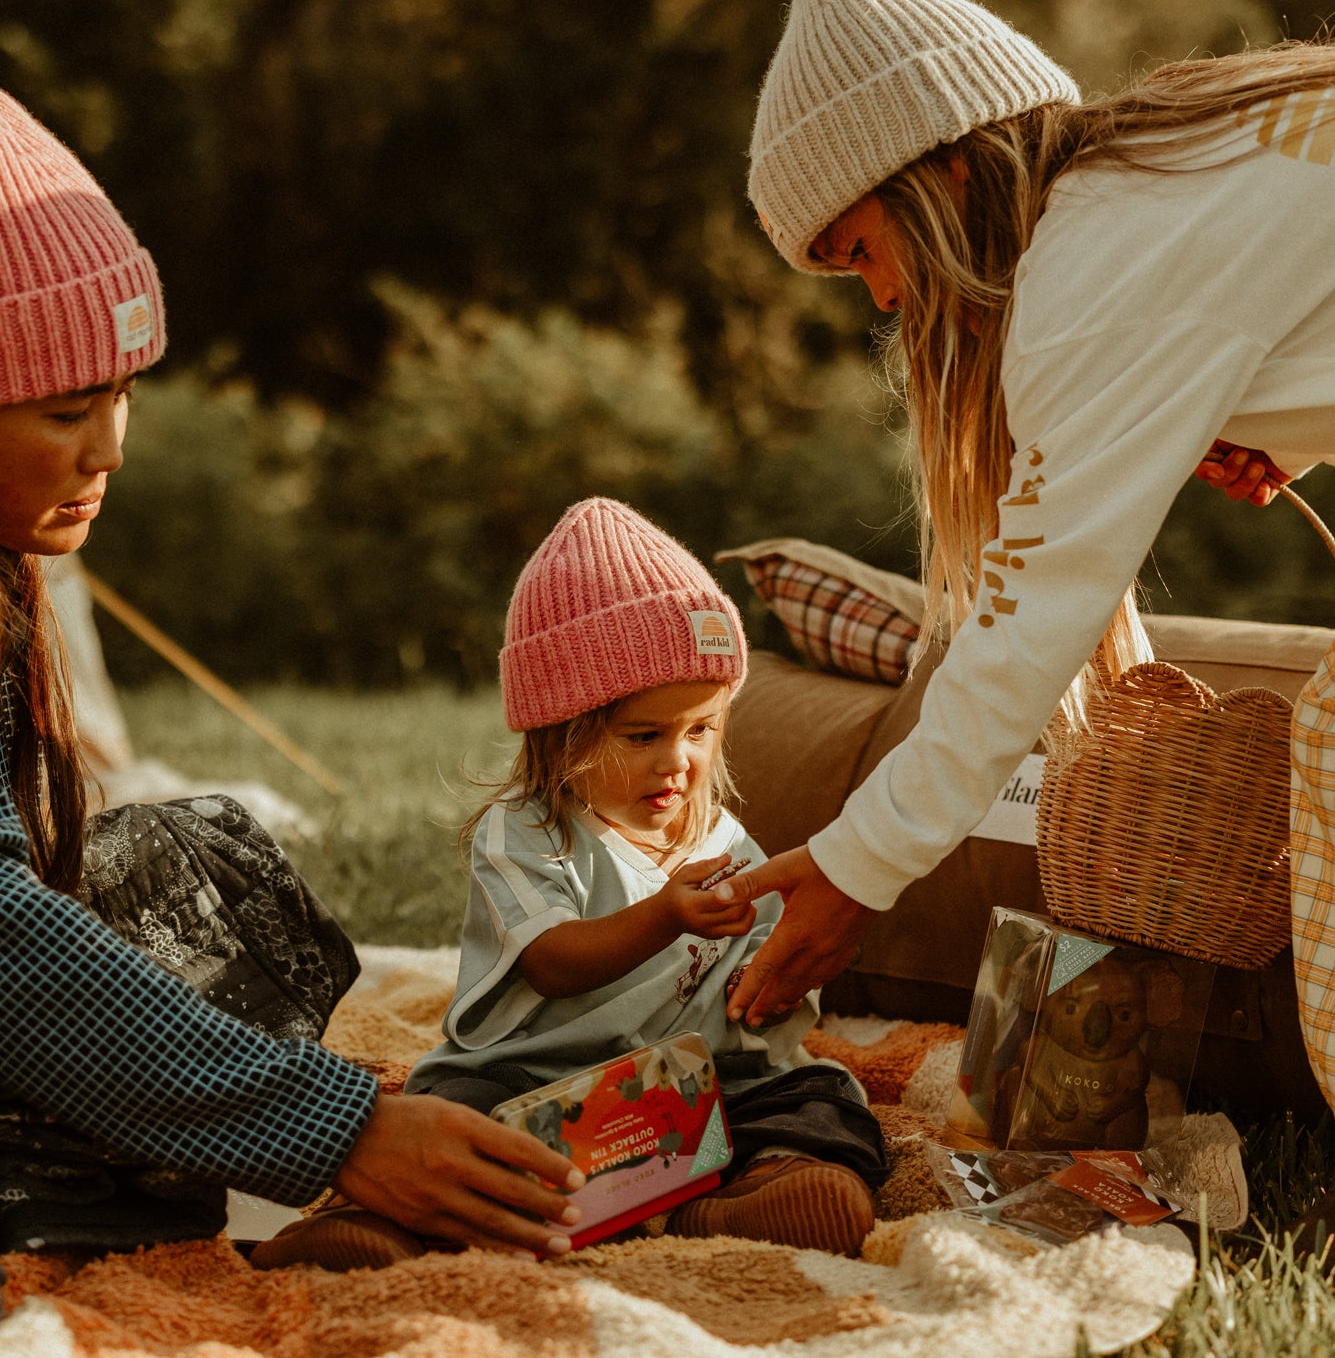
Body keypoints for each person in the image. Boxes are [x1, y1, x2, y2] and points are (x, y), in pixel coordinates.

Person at [0, 86, 581, 1357]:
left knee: (204, 876)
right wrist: (342, 1129)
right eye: (65, 411)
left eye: (121, 394)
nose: (112, 450)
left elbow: (6, 892)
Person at [713, 0, 1335, 1250]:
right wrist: (1285, 410)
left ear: (942, 172)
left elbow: (1022, 634)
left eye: (862, 251)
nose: (882, 299)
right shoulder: (1159, 175)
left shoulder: (1088, 279)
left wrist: (854, 866)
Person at [264, 497, 886, 1271]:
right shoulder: (527, 832)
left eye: (702, 729)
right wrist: (666, 916)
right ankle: (378, 1224)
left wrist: (775, 984)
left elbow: (762, 974)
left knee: (821, 1101)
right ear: (562, 732)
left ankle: (757, 1190)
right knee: (451, 1125)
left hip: (693, 1089)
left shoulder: (721, 838)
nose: (679, 761)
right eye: (644, 735)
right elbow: (552, 961)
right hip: (540, 1083)